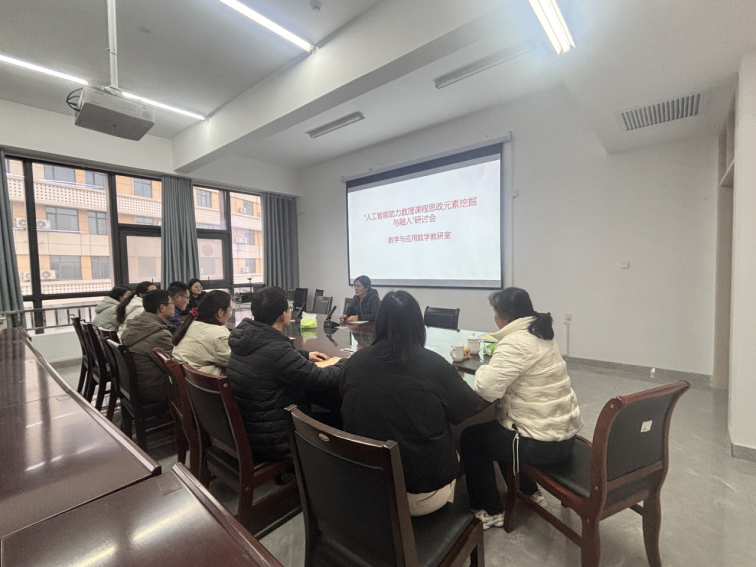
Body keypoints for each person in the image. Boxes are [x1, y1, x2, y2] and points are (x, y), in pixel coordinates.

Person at [341, 290, 482, 516]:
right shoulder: (434, 365)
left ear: (379, 322)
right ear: (418, 324)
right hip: (421, 496)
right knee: (456, 446)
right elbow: (467, 407)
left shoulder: (354, 362)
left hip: (367, 485)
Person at [461, 287, 582, 529]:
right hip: (564, 434)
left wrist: (482, 369)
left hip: (540, 443)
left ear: (504, 316)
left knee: (471, 439)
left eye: (495, 311)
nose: (494, 316)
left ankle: (490, 510)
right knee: (505, 428)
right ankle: (529, 491)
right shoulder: (542, 333)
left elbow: (487, 389)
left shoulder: (515, 342)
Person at [226, 286, 344, 461]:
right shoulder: (276, 349)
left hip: (250, 427)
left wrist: (303, 355)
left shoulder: (246, 337)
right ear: (283, 315)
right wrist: (344, 363)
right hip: (275, 438)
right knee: (339, 418)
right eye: (289, 308)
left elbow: (271, 358)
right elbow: (321, 378)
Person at [120, 289, 176, 403]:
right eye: (172, 303)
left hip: (136, 385)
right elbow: (174, 368)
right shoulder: (159, 334)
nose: (174, 306)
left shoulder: (137, 324)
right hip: (154, 390)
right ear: (162, 308)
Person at [172, 290, 233, 376]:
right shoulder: (218, 334)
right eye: (230, 310)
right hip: (202, 381)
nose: (230, 314)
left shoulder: (191, 324)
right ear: (220, 312)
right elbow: (234, 362)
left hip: (188, 379)